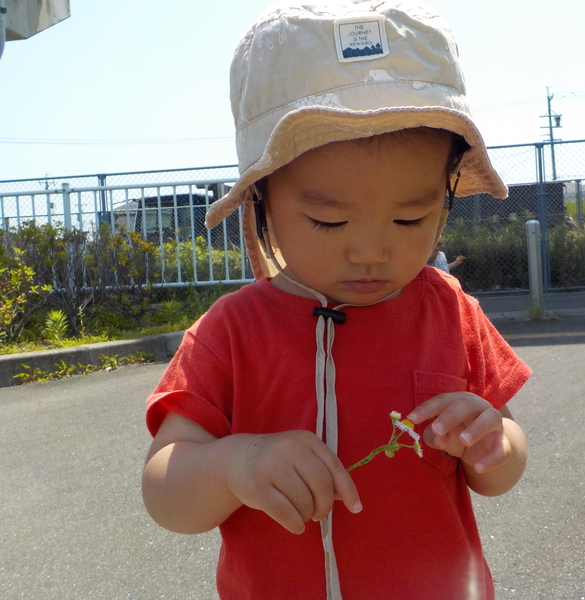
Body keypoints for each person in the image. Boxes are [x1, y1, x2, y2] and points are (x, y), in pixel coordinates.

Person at [141, 2, 531, 599]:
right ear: (261, 198)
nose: (372, 251)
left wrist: (492, 445)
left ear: (449, 191)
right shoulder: (232, 333)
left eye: (410, 218)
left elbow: (503, 462)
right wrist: (234, 464)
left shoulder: (451, 314)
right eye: (327, 220)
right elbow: (165, 491)